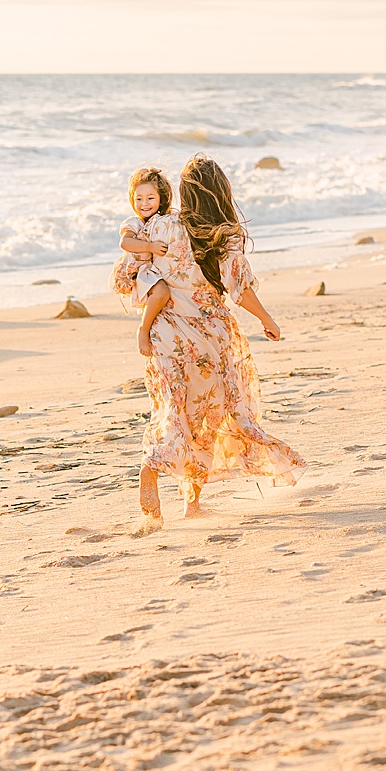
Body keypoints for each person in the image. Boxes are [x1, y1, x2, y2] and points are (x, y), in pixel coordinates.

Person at [117, 153, 305, 529]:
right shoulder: (224, 234)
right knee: (208, 412)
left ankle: (154, 468)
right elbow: (240, 289)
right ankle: (191, 501)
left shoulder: (160, 227)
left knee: (171, 407)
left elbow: (126, 275)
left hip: (165, 332)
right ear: (221, 193)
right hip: (208, 337)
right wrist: (265, 318)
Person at [112, 166, 184, 357]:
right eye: (139, 199)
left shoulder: (165, 220)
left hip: (155, 269)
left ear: (161, 198)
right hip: (139, 270)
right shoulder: (134, 223)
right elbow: (125, 242)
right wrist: (150, 247)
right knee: (162, 292)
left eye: (150, 198)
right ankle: (143, 330)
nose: (144, 204)